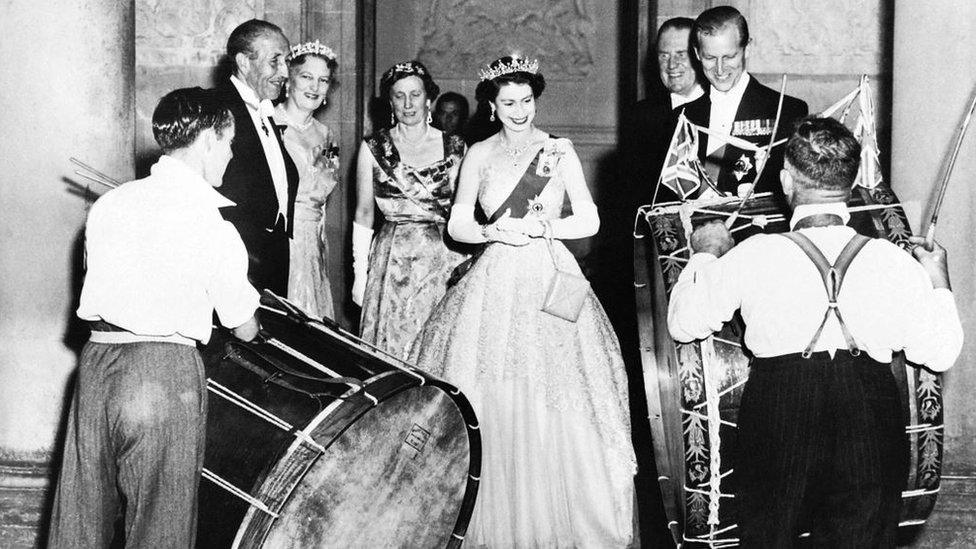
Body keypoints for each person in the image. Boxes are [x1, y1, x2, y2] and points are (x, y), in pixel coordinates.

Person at [667, 116, 963, 548]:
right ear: (852, 180)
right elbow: (941, 352)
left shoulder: (756, 254)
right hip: (869, 407)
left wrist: (706, 256)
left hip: (780, 405)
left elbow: (682, 321)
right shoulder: (892, 261)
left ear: (786, 181)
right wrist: (939, 279)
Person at [410, 56, 637, 547]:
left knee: (560, 390)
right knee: (496, 386)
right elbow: (457, 225)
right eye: (508, 102)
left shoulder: (558, 151)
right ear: (491, 106)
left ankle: (571, 514)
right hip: (495, 279)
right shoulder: (479, 154)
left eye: (527, 101)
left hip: (551, 276)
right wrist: (493, 230)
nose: (519, 111)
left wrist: (544, 226)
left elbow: (591, 221)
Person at [48, 87, 261, 548]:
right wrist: (255, 318)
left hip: (96, 367)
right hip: (163, 373)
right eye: (228, 143)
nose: (229, 156)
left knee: (81, 522)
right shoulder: (211, 221)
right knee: (162, 524)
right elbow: (241, 321)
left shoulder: (110, 204)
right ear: (207, 140)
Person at [353, 61, 467, 359]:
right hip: (392, 263)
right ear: (390, 102)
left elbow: (466, 212)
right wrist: (358, 276)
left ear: (428, 99)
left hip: (443, 260)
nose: (408, 104)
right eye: (399, 96)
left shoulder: (456, 147)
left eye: (415, 95)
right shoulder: (374, 147)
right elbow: (364, 214)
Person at [683, 6, 808, 199]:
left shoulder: (786, 111)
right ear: (697, 54)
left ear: (746, 49)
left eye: (729, 57)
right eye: (710, 57)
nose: (719, 69)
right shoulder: (683, 116)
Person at [214, 19, 299, 296]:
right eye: (275, 61)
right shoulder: (216, 109)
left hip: (273, 257)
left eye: (286, 61)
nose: (285, 72)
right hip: (235, 262)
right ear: (244, 62)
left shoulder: (266, 111)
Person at [274, 39, 339, 319]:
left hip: (314, 243)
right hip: (281, 239)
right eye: (307, 77)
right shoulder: (269, 123)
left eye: (323, 80)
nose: (314, 87)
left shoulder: (326, 135)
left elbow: (323, 199)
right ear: (289, 80)